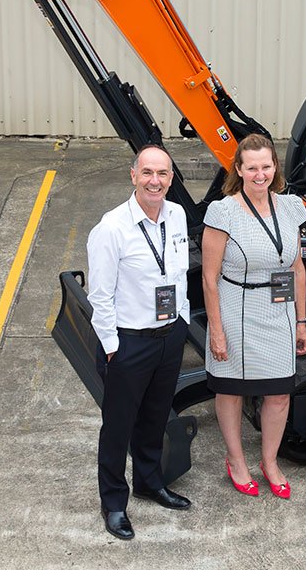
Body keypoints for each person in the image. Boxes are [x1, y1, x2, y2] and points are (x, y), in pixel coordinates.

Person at [87, 144, 192, 540]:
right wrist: (113, 347)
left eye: (162, 174)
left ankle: (150, 482)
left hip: (169, 336)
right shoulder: (112, 228)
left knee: (154, 417)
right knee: (118, 426)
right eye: (147, 172)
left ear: (171, 178)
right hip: (128, 343)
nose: (155, 181)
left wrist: (181, 318)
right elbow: (100, 295)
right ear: (133, 175)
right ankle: (114, 502)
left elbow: (179, 273)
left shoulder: (177, 215)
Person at [202, 134, 306, 499]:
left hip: (278, 309)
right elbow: (209, 278)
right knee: (232, 391)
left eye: (266, 166)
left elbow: (297, 268)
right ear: (239, 170)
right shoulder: (223, 212)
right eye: (252, 167)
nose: (259, 174)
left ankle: (270, 460)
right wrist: (216, 331)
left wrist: (301, 321)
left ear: (275, 167)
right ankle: (236, 460)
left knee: (279, 392)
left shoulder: (292, 207)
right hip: (236, 309)